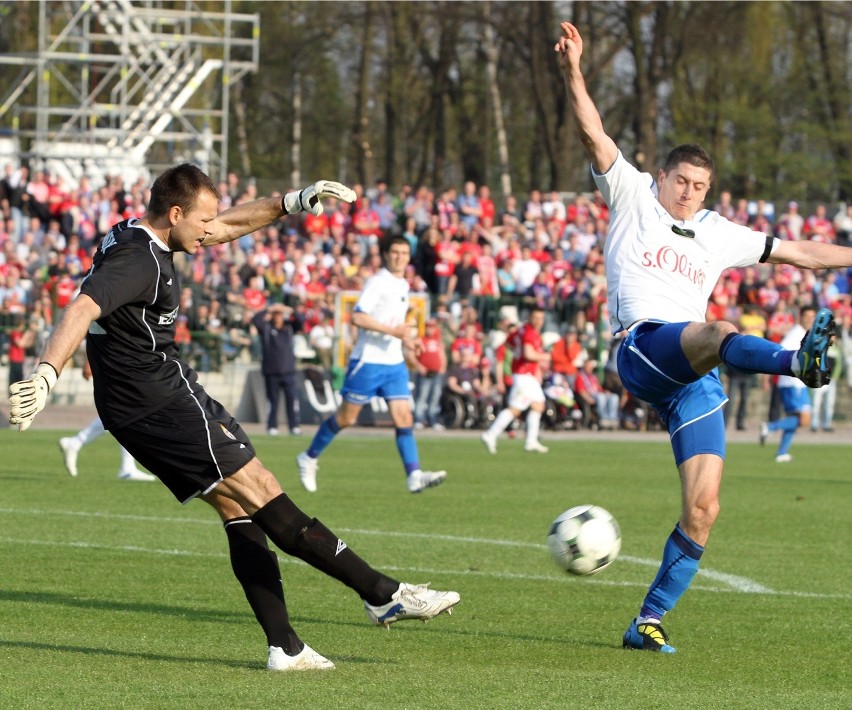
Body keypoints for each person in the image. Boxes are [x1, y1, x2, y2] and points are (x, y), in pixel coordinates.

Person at [9, 166, 459, 671]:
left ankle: (285, 648)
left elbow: (225, 227)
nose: (210, 229)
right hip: (161, 400)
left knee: (235, 506)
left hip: (134, 407)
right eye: (201, 219)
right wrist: (46, 374)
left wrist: (292, 200)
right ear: (175, 213)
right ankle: (381, 592)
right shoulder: (140, 261)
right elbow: (81, 308)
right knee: (262, 489)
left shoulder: (141, 234)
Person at [555, 21, 845, 654]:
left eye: (699, 187)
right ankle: (799, 360)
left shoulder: (718, 230)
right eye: (680, 182)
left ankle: (647, 621)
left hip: (696, 381)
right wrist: (574, 70)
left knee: (704, 510)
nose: (688, 194)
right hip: (643, 347)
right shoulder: (632, 195)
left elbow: (802, 252)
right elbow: (592, 132)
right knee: (717, 330)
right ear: (660, 177)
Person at [296, 236, 447, 494]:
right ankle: (308, 457)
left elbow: (394, 325)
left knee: (404, 418)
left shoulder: (403, 285)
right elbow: (358, 317)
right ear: (387, 255)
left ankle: (414, 474)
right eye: (395, 252)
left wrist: (408, 342)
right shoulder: (378, 282)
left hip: (394, 363)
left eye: (403, 252)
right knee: (346, 418)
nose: (399, 256)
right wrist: (394, 332)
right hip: (368, 361)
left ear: (408, 257)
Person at [480, 306, 550, 454]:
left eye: (541, 318)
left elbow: (509, 344)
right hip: (524, 375)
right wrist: (547, 356)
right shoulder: (530, 333)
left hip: (526, 374)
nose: (538, 321)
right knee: (515, 409)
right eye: (536, 318)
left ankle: (531, 441)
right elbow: (528, 354)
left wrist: (517, 355)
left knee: (538, 405)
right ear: (530, 317)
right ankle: (490, 434)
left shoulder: (521, 330)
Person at [759, 307, 815, 462]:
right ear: (800, 317)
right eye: (807, 316)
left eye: (812, 316)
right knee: (805, 419)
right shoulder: (795, 334)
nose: (810, 319)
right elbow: (783, 353)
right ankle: (770, 427)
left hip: (795, 383)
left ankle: (782, 452)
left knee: (795, 418)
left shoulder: (803, 333)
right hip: (793, 383)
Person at [252, 303, 302, 436]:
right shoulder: (266, 328)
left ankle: (294, 426)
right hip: (271, 371)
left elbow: (301, 320)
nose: (278, 316)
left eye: (280, 313)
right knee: (272, 401)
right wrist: (268, 308)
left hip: (288, 371)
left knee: (292, 401)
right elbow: (256, 319)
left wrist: (289, 309)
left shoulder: (289, 327)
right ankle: (272, 426)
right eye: (276, 313)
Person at [413, 317, 447, 430]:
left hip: (437, 373)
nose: (430, 330)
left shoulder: (438, 340)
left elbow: (442, 354)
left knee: (435, 397)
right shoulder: (421, 340)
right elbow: (412, 355)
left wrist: (443, 366)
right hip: (425, 373)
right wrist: (419, 367)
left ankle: (433, 419)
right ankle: (418, 419)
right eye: (428, 327)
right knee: (422, 396)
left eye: (432, 327)